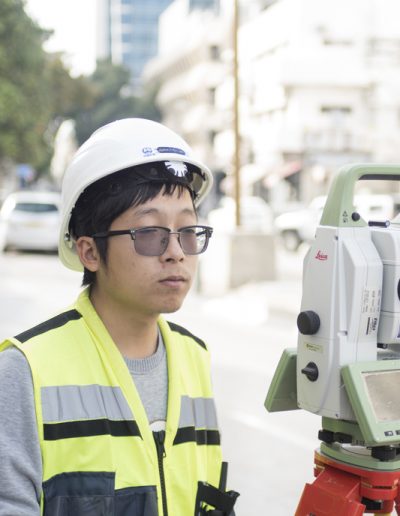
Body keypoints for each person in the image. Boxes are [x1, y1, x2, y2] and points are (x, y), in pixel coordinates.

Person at [0, 118, 239, 516]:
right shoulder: (24, 370)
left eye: (187, 229)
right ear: (90, 252)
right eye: (149, 233)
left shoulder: (195, 357)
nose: (176, 252)